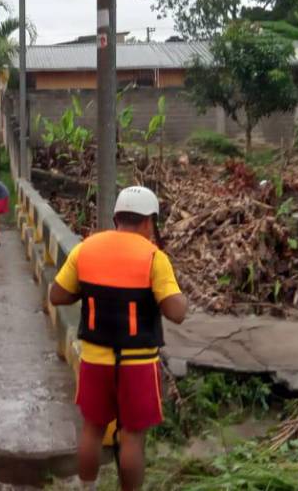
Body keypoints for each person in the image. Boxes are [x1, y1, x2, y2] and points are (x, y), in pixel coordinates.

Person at [47, 186, 189, 491]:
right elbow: (176, 312)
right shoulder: (155, 257)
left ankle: (87, 487)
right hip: (138, 364)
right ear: (150, 222)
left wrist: (87, 290)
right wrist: (180, 294)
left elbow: (57, 295)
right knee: (133, 437)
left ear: (116, 218)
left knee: (92, 429)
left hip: (95, 359)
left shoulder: (86, 248)